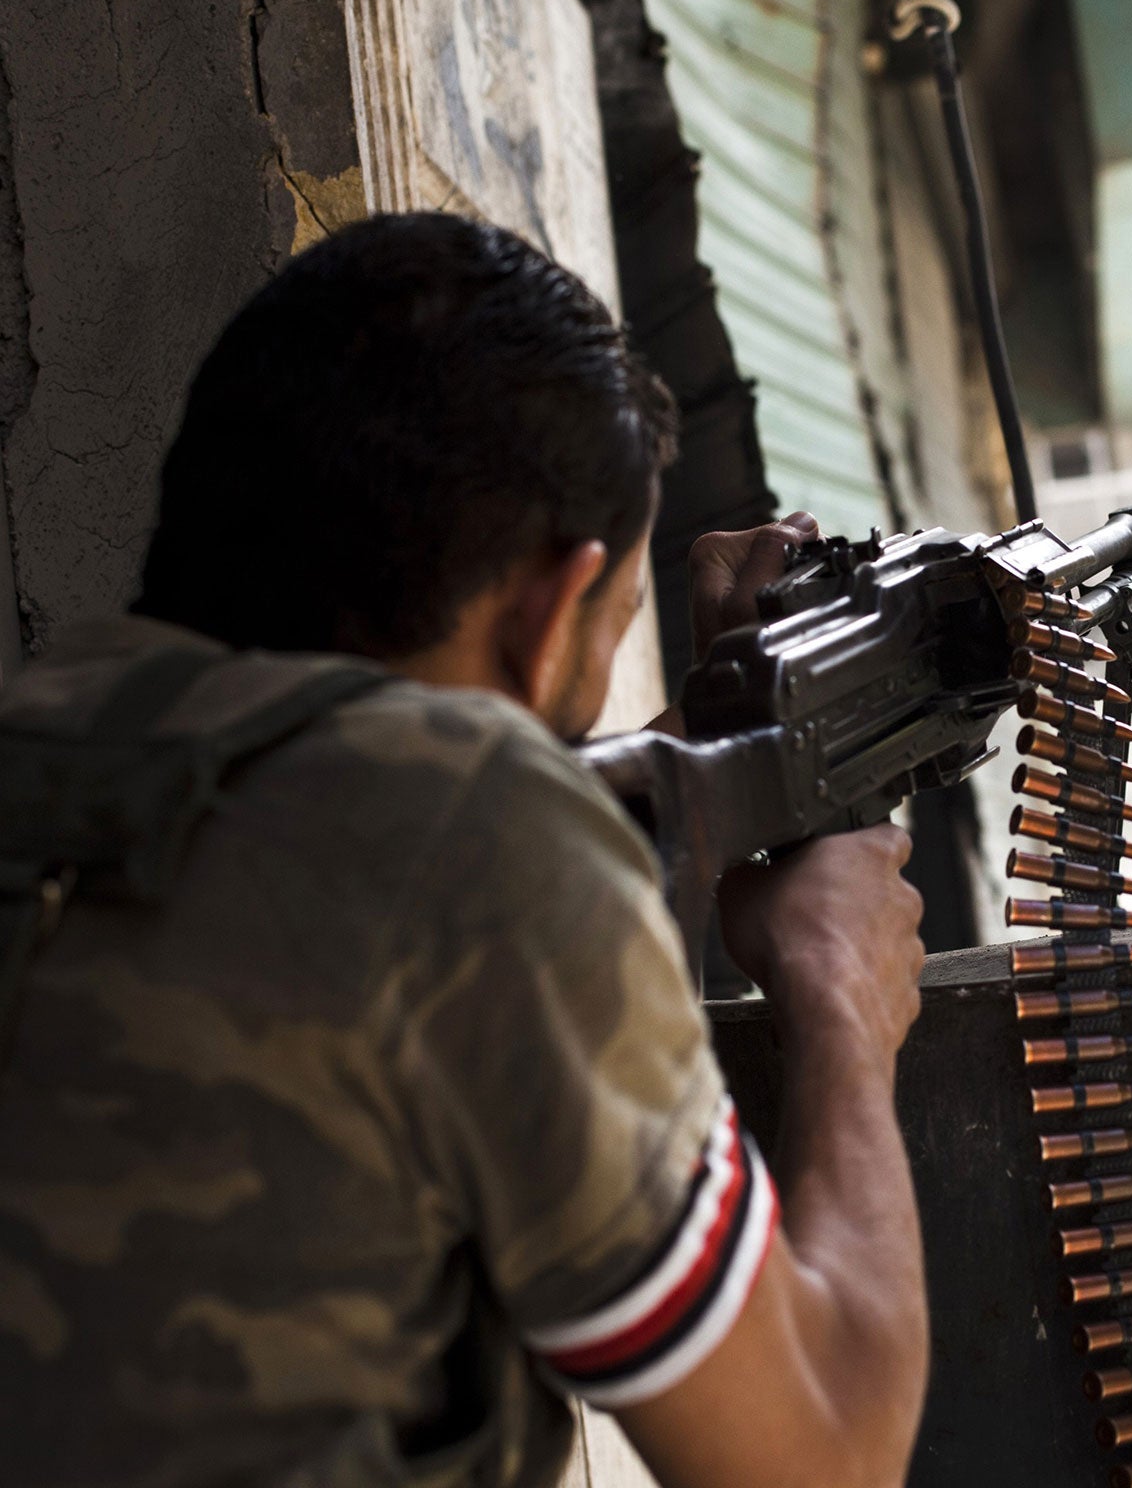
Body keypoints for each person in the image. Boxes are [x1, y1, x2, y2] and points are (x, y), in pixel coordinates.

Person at [0, 213, 930, 1488]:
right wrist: (841, 994)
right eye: (607, 638)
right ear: (550, 613)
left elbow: (339, 848)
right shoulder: (476, 836)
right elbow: (825, 1454)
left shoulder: (60, 736)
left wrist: (720, 753)